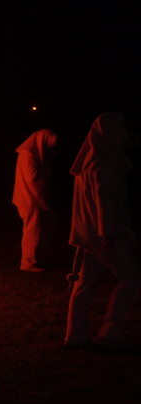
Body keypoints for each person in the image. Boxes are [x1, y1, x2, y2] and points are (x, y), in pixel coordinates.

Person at [64, 112, 141, 349]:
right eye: (120, 129)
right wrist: (107, 231)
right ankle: (110, 332)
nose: (124, 134)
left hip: (89, 234)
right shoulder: (105, 161)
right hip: (105, 234)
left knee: (84, 283)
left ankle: (75, 335)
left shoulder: (88, 161)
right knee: (130, 280)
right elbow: (104, 200)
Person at [12, 128, 60, 271]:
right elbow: (32, 177)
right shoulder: (28, 154)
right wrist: (46, 169)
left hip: (34, 199)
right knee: (32, 231)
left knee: (41, 229)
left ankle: (38, 259)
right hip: (29, 199)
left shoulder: (33, 155)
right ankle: (28, 262)